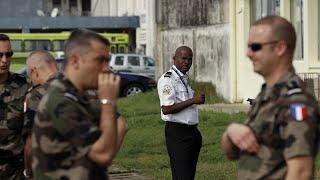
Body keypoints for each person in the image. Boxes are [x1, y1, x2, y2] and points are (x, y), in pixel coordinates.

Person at [221, 15, 319, 180]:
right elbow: (232, 153)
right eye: (248, 47)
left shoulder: (296, 101)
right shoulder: (267, 94)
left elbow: (301, 172)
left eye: (255, 47)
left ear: (280, 48)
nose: (248, 53)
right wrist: (231, 131)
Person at [32, 29, 126, 179]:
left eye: (108, 60)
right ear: (75, 61)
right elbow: (103, 154)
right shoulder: (60, 101)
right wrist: (109, 102)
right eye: (100, 60)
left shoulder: (77, 97)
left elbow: (121, 127)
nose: (106, 68)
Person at [157, 46, 205, 180]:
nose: (187, 62)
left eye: (190, 59)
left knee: (188, 175)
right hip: (178, 133)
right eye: (183, 59)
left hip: (192, 132)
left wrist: (195, 101)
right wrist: (192, 100)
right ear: (174, 59)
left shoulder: (183, 78)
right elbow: (166, 108)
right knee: (182, 175)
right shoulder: (168, 79)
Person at [23, 50, 59, 179]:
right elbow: (121, 126)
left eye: (30, 77)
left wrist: (28, 172)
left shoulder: (36, 95)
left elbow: (32, 142)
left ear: (34, 71)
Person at [0, 33, 29, 179]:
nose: (4, 60)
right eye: (0, 55)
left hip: (16, 172)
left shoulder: (24, 86)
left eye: (9, 54)